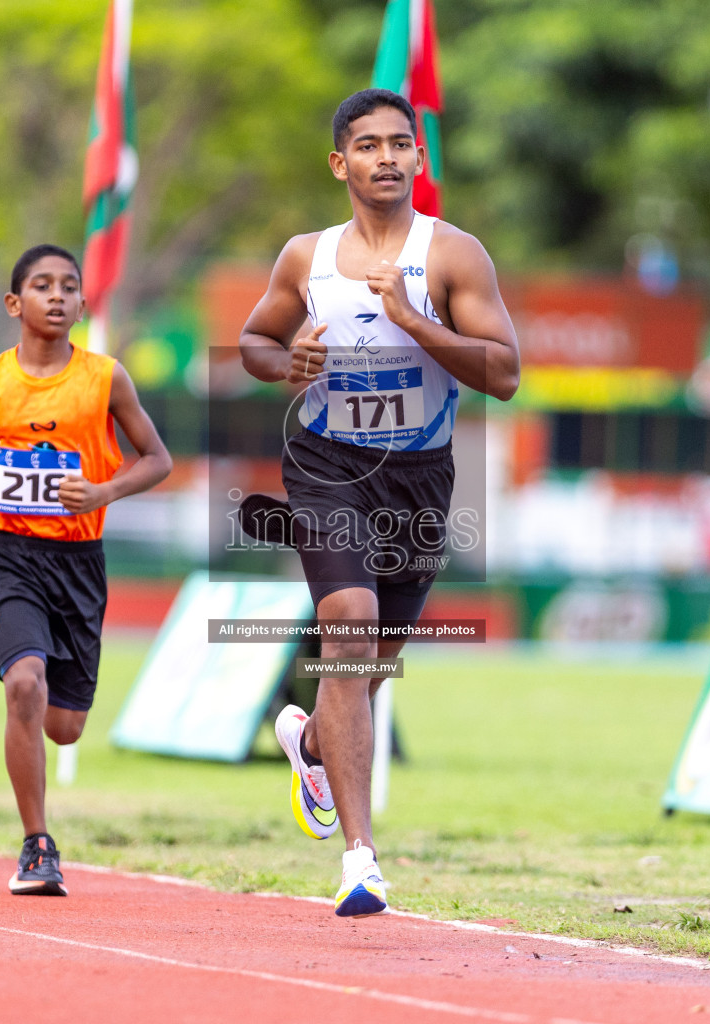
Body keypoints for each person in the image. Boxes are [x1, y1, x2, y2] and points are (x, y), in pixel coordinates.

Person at [238, 89, 520, 917]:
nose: (387, 157)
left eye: (402, 143)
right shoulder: (306, 258)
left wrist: (410, 317)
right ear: (341, 163)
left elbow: (504, 374)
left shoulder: (454, 256)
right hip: (326, 465)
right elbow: (256, 342)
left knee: (366, 667)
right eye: (369, 145)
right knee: (350, 625)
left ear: (420, 161)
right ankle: (361, 858)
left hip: (421, 478)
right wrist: (286, 359)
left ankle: (311, 739)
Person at [0, 244, 171, 895]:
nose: (57, 296)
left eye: (69, 286)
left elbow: (157, 459)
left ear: (84, 302)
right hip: (10, 558)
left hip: (79, 562)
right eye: (42, 285)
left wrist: (103, 492)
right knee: (24, 687)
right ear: (15, 303)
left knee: (63, 726)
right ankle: (37, 845)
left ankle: (43, 771)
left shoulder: (105, 378)